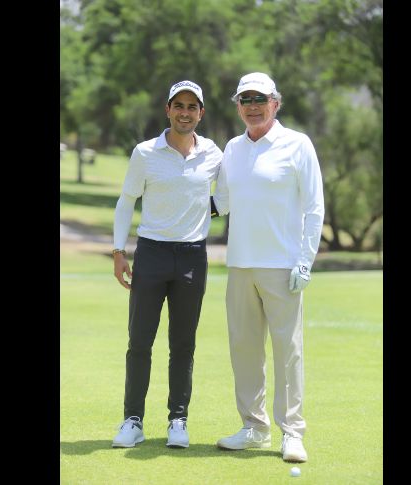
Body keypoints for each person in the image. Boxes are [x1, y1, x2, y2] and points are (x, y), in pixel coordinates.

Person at [212, 72, 324, 463]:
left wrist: (305, 261)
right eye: (246, 100)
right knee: (244, 350)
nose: (253, 106)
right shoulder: (232, 148)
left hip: (283, 265)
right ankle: (254, 427)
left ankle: (291, 432)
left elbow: (314, 207)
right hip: (240, 264)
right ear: (238, 106)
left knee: (287, 351)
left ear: (276, 102)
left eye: (260, 98)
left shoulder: (298, 144)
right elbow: (220, 202)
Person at [110, 80, 223, 449]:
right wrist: (118, 251)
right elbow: (126, 201)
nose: (185, 113)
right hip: (152, 253)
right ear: (168, 109)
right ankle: (133, 420)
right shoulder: (145, 153)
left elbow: (227, 198)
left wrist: (198, 211)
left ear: (201, 113)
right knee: (139, 341)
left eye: (192, 107)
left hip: (193, 257)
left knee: (183, 344)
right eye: (179, 105)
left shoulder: (213, 154)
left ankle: (178, 419)